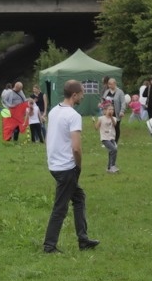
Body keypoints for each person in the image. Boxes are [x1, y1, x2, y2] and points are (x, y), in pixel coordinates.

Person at [42, 80, 99, 253]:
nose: (83, 96)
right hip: (66, 167)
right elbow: (76, 147)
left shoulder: (54, 111)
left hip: (54, 164)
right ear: (74, 95)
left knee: (79, 197)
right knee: (60, 207)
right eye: (82, 93)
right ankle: (49, 246)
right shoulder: (73, 115)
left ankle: (83, 239)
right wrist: (78, 166)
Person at [94, 104, 119, 173]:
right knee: (114, 150)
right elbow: (96, 128)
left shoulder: (114, 118)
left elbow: (114, 125)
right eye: (109, 109)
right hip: (105, 138)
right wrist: (94, 123)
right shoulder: (101, 118)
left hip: (112, 138)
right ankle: (113, 166)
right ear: (105, 111)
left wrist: (111, 117)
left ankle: (109, 168)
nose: (111, 111)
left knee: (111, 152)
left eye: (112, 109)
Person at [100, 78, 126, 143]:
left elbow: (123, 102)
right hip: (107, 112)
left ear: (115, 84)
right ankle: (107, 141)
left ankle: (115, 142)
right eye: (109, 84)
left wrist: (122, 111)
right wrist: (101, 105)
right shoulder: (107, 92)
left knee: (116, 127)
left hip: (116, 113)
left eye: (111, 84)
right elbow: (103, 100)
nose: (110, 86)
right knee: (106, 126)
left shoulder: (120, 92)